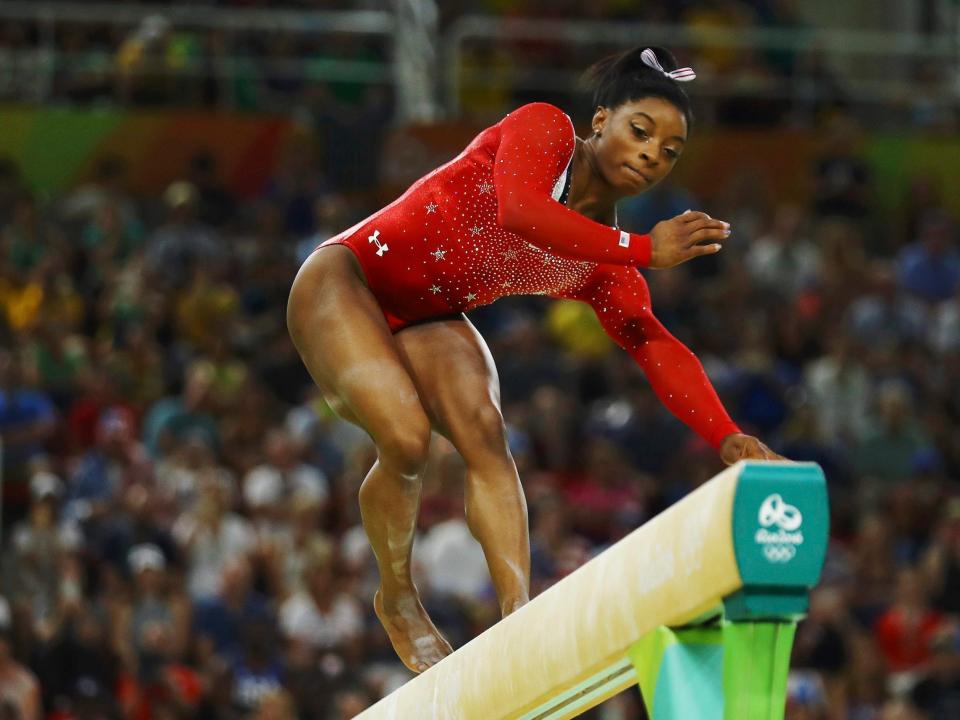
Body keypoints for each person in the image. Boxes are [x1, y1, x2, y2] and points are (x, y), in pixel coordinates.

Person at [287, 46, 784, 673]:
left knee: (487, 436)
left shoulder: (608, 260)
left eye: (670, 150)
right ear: (600, 121)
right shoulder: (545, 128)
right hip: (348, 277)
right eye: (640, 131)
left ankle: (518, 623)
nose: (652, 154)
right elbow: (520, 210)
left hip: (431, 314)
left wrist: (728, 436)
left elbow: (651, 341)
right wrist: (640, 247)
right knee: (408, 440)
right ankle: (397, 594)